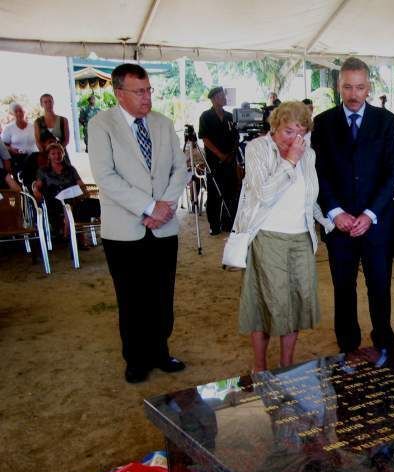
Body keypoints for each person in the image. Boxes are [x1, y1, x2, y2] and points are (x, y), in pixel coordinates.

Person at [88, 63, 190, 384]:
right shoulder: (101, 125)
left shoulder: (163, 123)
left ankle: (160, 350)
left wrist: (164, 207)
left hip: (164, 226)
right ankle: (135, 358)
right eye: (139, 92)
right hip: (124, 230)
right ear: (120, 94)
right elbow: (105, 176)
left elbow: (180, 168)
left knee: (162, 292)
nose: (147, 98)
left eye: (149, 90)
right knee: (131, 296)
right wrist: (147, 206)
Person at [311, 57, 394, 364]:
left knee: (379, 283)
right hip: (340, 224)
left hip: (376, 222)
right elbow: (319, 173)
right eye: (347, 87)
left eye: (360, 87)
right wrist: (335, 212)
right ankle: (347, 344)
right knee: (343, 285)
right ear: (339, 86)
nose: (353, 94)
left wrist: (370, 215)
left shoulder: (386, 121)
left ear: (369, 87)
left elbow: (392, 173)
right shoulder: (322, 123)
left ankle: (383, 339)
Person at [234, 101, 333, 372]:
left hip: (301, 238)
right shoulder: (257, 149)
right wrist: (289, 161)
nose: (295, 139)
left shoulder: (308, 154)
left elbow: (308, 197)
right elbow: (264, 194)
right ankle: (260, 365)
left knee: (297, 304)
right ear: (275, 126)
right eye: (289, 131)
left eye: (301, 132)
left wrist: (329, 220)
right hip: (268, 236)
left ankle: (286, 363)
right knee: (266, 304)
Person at [32, 142, 96, 248]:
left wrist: (84, 191)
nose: (57, 156)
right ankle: (78, 235)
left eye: (59, 153)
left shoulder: (70, 169)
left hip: (72, 196)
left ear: (63, 154)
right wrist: (35, 190)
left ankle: (68, 227)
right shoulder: (44, 171)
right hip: (54, 199)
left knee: (75, 203)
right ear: (48, 156)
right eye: (53, 154)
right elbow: (37, 185)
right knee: (67, 203)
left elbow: (80, 184)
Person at [198, 86, 240, 234]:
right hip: (214, 162)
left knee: (231, 192)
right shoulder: (205, 116)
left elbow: (236, 136)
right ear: (214, 98)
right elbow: (205, 138)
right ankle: (214, 225)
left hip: (230, 161)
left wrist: (230, 153)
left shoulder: (230, 116)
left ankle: (228, 223)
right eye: (222, 96)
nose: (224, 98)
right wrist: (219, 154)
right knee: (214, 192)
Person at [2, 103, 38, 177]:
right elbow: (3, 144)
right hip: (19, 162)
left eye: (21, 111)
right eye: (16, 111)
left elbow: (39, 142)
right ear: (13, 114)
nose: (19, 113)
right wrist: (11, 149)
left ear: (24, 112)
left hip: (34, 160)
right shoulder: (9, 128)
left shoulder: (33, 126)